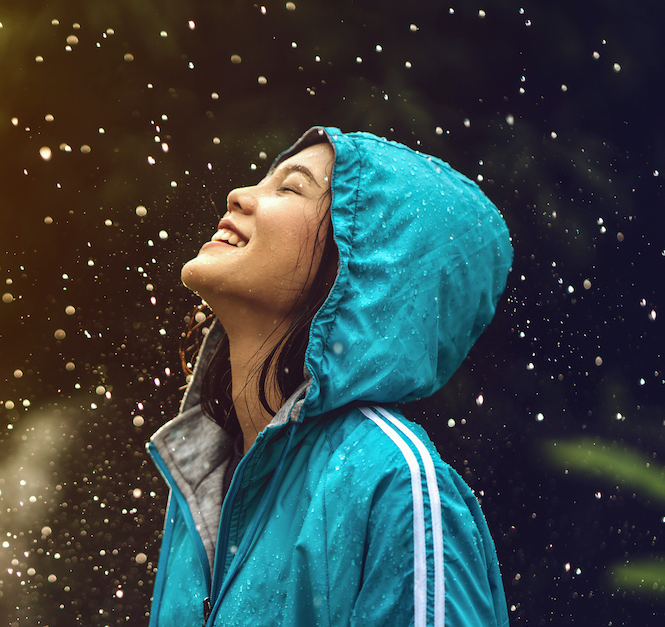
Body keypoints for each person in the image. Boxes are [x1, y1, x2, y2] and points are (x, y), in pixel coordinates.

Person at [146, 126, 512, 626]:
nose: (238, 195)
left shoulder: (395, 484)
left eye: (290, 187)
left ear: (361, 269)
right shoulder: (203, 482)